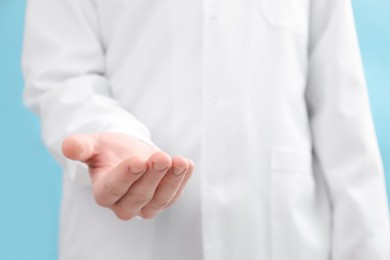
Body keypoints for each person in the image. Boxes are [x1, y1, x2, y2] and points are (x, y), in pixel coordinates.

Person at [22, 0, 390, 259]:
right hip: (126, 240)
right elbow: (62, 74)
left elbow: (344, 119)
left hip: (283, 236)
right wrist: (113, 134)